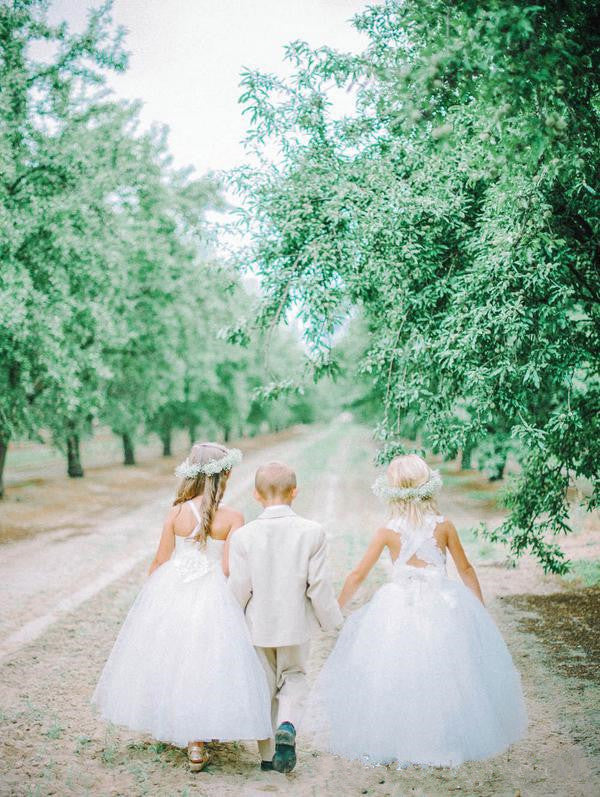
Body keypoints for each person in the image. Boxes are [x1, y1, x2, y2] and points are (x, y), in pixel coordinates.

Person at [308, 453, 527, 768]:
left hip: (398, 605)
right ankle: (440, 735)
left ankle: (400, 736)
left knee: (397, 669)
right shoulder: (444, 526)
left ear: (392, 490)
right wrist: (479, 609)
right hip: (441, 604)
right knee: (445, 669)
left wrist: (334, 609)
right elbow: (465, 569)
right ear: (428, 486)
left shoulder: (387, 531)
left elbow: (357, 575)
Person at [92, 442, 272, 772]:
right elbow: (229, 568)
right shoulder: (233, 517)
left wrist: (149, 601)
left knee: (175, 659)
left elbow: (161, 559)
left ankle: (189, 736)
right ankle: (200, 735)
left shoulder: (175, 513)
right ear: (225, 475)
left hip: (173, 589)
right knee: (206, 661)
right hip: (212, 594)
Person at [227, 461, 343, 773]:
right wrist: (333, 623)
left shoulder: (243, 536)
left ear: (255, 494)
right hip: (295, 625)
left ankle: (268, 758)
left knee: (262, 687)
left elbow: (240, 587)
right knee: (294, 676)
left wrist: (230, 621)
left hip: (257, 626)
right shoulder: (312, 532)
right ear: (295, 492)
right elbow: (319, 585)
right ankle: (287, 725)